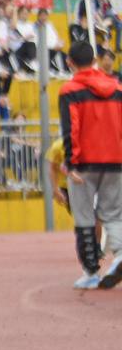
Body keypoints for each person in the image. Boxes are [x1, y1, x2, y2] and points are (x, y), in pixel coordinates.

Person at [58, 40, 122, 287]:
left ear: (69, 62)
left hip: (84, 162)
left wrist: (70, 162)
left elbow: (70, 128)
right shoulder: (117, 87)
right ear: (95, 60)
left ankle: (91, 272)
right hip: (115, 158)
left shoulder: (69, 90)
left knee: (84, 218)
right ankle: (119, 253)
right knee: (114, 214)